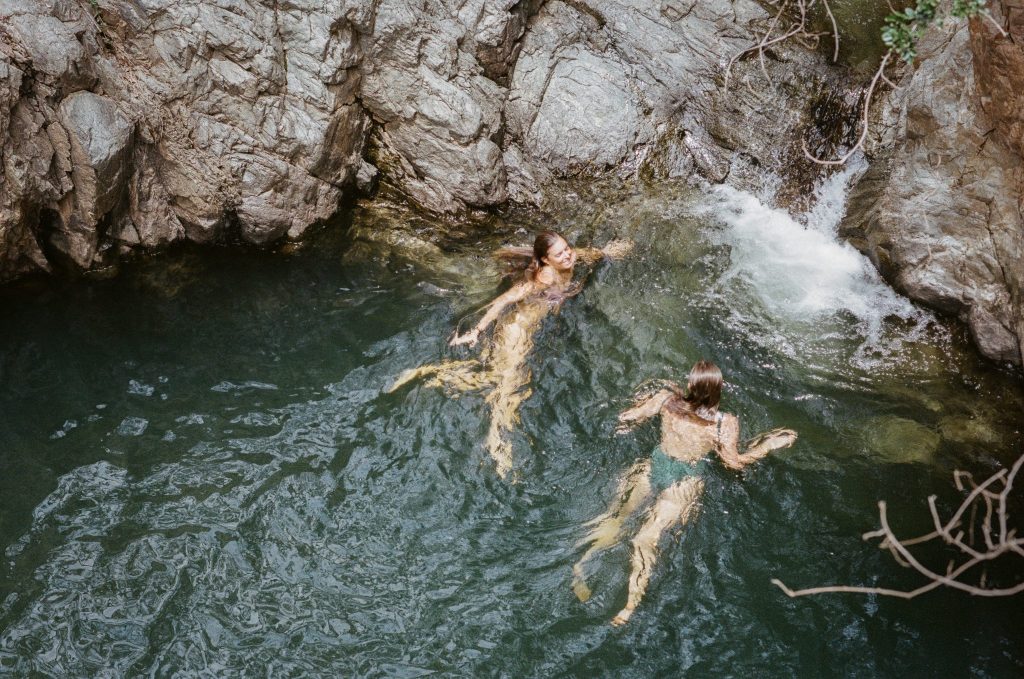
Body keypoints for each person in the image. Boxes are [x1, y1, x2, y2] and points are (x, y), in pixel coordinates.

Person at [387, 231, 632, 478]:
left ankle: (428, 374)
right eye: (560, 253)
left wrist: (613, 250)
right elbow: (503, 301)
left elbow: (590, 253)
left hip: (527, 332)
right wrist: (476, 331)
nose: (567, 254)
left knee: (491, 378)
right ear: (546, 260)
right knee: (513, 387)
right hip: (517, 333)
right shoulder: (542, 278)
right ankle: (497, 442)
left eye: (567, 248)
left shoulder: (571, 257)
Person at [572, 360, 797, 626]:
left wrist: (652, 395)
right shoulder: (724, 423)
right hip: (684, 481)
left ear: (690, 385)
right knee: (646, 539)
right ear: (718, 390)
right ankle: (628, 608)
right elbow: (733, 463)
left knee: (614, 519)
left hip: (653, 466)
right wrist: (768, 445)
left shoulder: (667, 400)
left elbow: (628, 417)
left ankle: (580, 565)